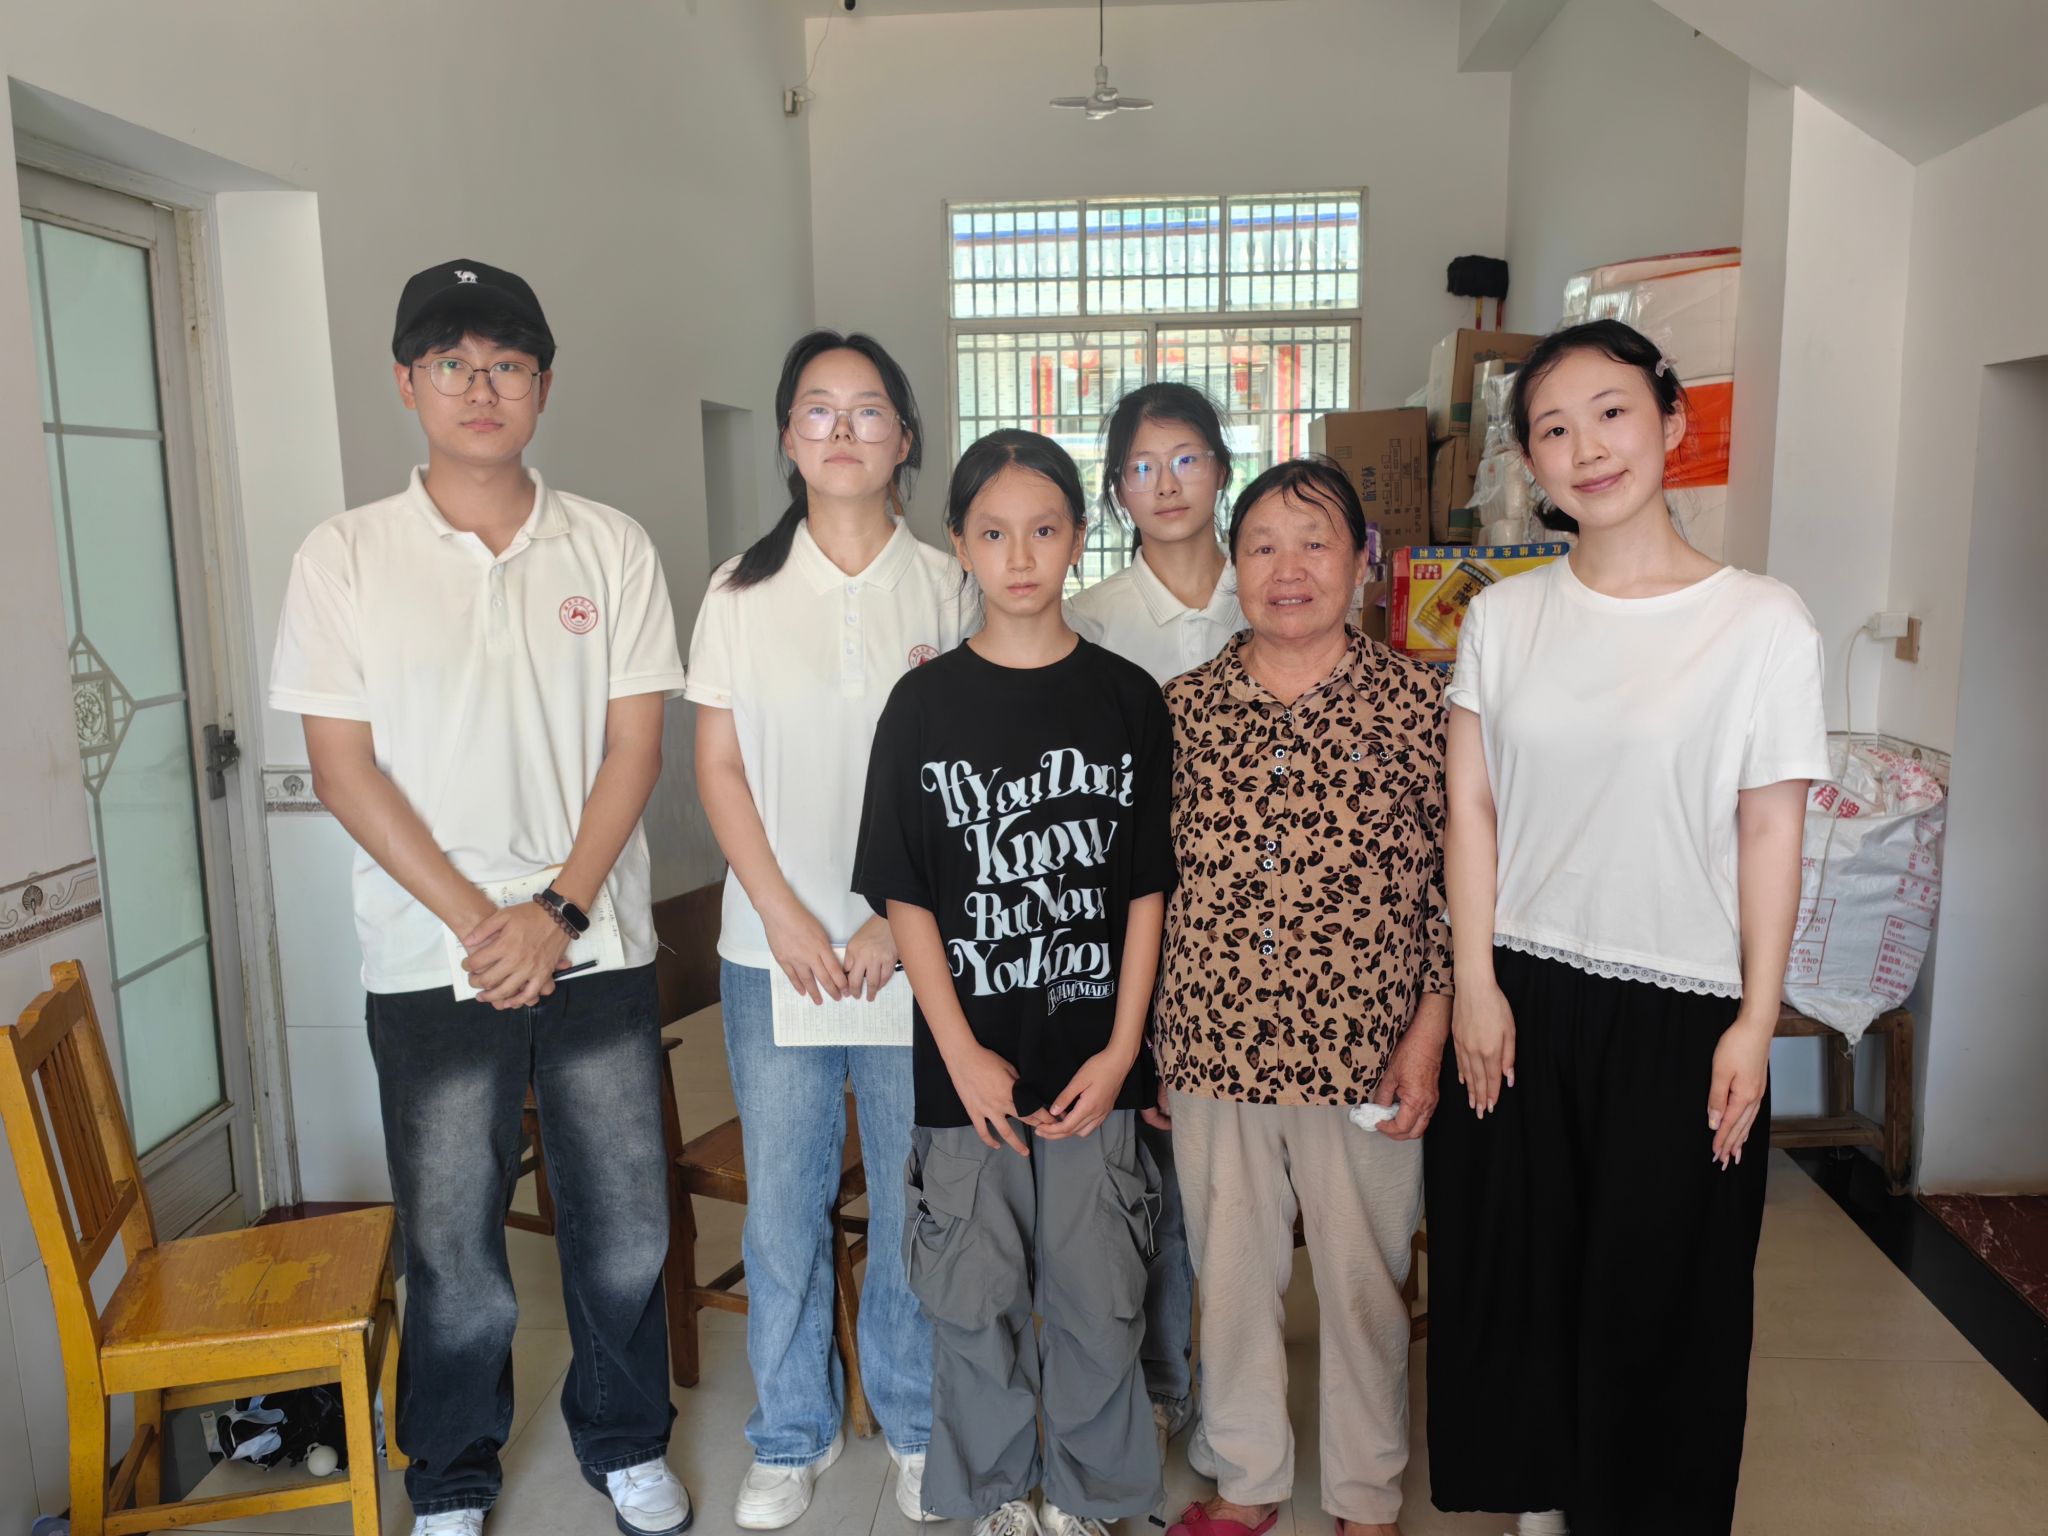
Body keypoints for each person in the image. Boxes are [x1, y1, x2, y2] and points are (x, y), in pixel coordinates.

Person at [270, 260, 690, 1536]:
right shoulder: (345, 555)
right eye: (450, 363)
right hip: (429, 954)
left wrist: (553, 915)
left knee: (623, 1225)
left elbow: (634, 749)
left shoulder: (609, 543)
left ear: (542, 386)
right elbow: (342, 769)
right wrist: (479, 923)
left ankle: (624, 1439)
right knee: (452, 1240)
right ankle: (450, 1470)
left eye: (506, 364)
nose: (479, 387)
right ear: (406, 383)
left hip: (595, 941)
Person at [1425, 319, 1830, 1536]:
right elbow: (1470, 809)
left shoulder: (1760, 622)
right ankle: (1541, 1503)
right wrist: (1474, 980)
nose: (1587, 448)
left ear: (1669, 419)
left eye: (1609, 413)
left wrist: (1754, 1018)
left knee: (1661, 1284)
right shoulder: (1504, 618)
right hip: (1522, 991)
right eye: (1552, 429)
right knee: (1521, 1264)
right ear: (1528, 464)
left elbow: (1769, 831)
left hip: (1680, 1004)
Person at [853, 429, 1173, 1536]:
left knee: (1099, 1295)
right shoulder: (922, 706)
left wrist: (1122, 1049)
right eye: (993, 533)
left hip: (1094, 1064)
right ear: (958, 544)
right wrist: (960, 1054)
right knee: (971, 1296)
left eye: (1044, 530)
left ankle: (1089, 1497)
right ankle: (993, 1494)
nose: (1020, 555)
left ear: (1079, 538)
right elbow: (905, 895)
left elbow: (1146, 889)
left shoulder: (1128, 700)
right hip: (967, 1073)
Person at [687, 331, 971, 1528]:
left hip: (914, 953)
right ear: (788, 436)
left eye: (867, 410)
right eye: (818, 409)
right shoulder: (736, 591)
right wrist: (786, 915)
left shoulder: (949, 583)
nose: (843, 430)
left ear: (904, 437)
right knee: (785, 1206)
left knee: (913, 1201)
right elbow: (719, 768)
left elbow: (967, 775)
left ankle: (912, 1422)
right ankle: (790, 1434)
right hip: (776, 958)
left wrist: (891, 927)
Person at [1155, 457, 1450, 1536]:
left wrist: (1428, 1034)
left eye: (1315, 543)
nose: (1289, 569)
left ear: (1363, 561)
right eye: (1263, 546)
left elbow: (1456, 886)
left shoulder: (1420, 704)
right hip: (1213, 1044)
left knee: (1365, 1282)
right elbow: (1153, 891)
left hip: (1368, 1050)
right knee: (1230, 1281)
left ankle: (1366, 1495)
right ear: (1232, 567)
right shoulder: (1182, 710)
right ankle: (1248, 1482)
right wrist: (1154, 1049)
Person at [1065, 381, 1244, 1472]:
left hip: (1255, 933)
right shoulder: (1091, 619)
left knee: (1235, 1183)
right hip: (1132, 927)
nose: (1165, 483)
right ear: (1116, 490)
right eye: (1140, 466)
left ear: (1219, 467)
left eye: (1184, 458)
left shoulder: (1270, 587)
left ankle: (1234, 1393)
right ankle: (1163, 1382)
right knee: (1151, 1176)